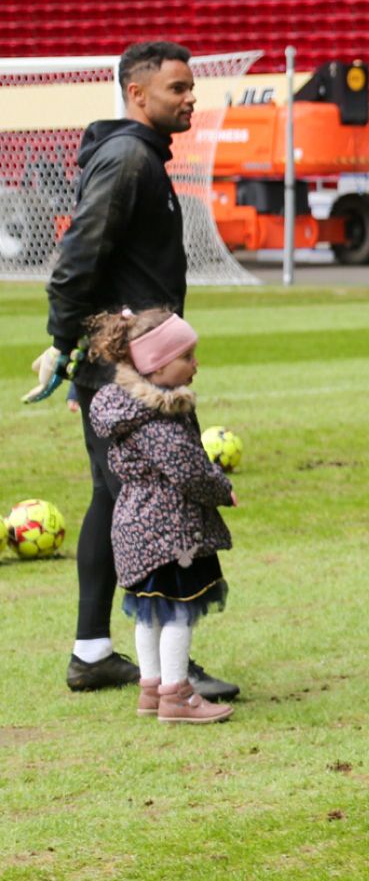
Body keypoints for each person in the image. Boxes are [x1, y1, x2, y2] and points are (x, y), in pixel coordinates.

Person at [26, 41, 236, 702]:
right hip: (134, 369)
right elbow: (74, 260)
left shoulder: (138, 157)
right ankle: (169, 672)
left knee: (114, 499)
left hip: (125, 362)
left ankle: (94, 652)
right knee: (159, 506)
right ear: (137, 94)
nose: (190, 97)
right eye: (176, 87)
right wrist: (67, 347)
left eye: (190, 86)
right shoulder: (127, 161)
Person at [84, 308, 235, 725]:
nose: (195, 364)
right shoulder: (158, 417)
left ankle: (151, 688)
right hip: (170, 533)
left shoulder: (127, 412)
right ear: (156, 363)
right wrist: (222, 488)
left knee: (150, 611)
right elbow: (188, 470)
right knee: (178, 612)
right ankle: (177, 696)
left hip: (136, 527)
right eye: (186, 356)